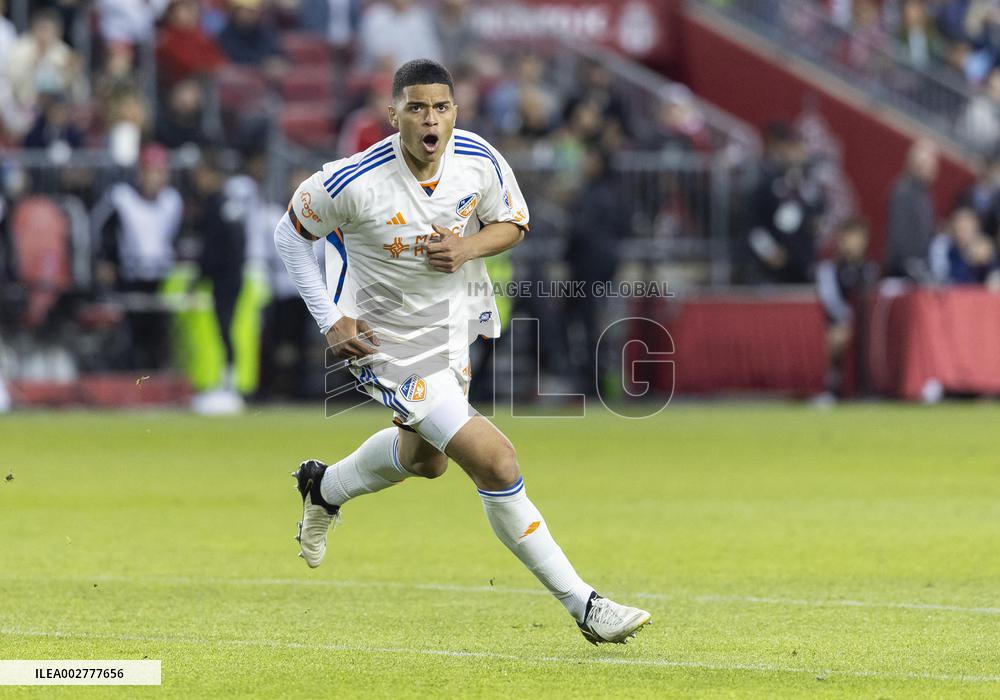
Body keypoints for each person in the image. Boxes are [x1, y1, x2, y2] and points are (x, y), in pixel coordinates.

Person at [275, 59, 651, 645]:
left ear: (456, 111)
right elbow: (290, 236)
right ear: (393, 113)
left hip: (452, 328)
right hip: (386, 342)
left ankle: (323, 486)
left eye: (442, 107)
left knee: (426, 461)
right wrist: (330, 320)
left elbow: (514, 222)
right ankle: (585, 605)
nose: (432, 119)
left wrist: (469, 246)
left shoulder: (478, 157)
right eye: (418, 107)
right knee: (497, 461)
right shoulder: (351, 181)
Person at [815, 218, 877, 400]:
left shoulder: (871, 269)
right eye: (850, 238)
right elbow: (831, 301)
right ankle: (832, 387)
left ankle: (872, 387)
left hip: (867, 323)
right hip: (841, 322)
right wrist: (851, 319)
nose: (854, 243)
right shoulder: (829, 269)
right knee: (837, 336)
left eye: (858, 238)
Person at [884, 138, 938, 279]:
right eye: (931, 166)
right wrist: (910, 264)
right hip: (903, 269)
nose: (934, 170)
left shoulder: (924, 193)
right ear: (917, 165)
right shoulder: (904, 191)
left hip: (917, 266)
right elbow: (900, 233)